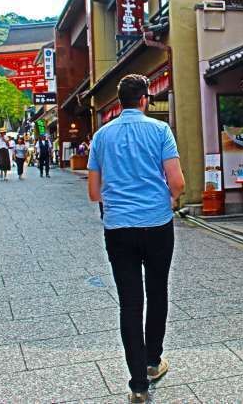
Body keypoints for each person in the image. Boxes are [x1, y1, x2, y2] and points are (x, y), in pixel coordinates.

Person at [87, 74, 185, 404]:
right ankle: (153, 361)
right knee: (157, 290)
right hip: (157, 223)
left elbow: (92, 192)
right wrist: (166, 198)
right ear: (144, 99)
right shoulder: (160, 131)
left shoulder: (101, 136)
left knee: (130, 301)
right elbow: (178, 182)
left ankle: (138, 385)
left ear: (119, 101)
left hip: (118, 228)